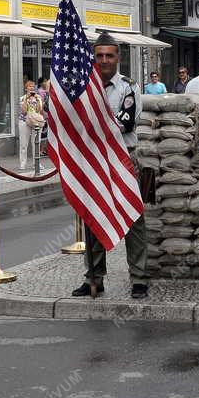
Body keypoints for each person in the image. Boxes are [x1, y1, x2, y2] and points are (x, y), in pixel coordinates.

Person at [72, 32, 150, 300]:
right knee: (93, 219)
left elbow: (124, 123)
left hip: (123, 158)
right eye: (99, 55)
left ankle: (139, 277)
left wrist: (93, 125)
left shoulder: (129, 87)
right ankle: (94, 277)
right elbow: (77, 122)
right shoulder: (84, 87)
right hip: (94, 159)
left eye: (109, 55)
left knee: (132, 219)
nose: (104, 60)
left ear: (118, 58)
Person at [18, 80, 44, 169]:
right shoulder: (22, 98)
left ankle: (36, 163)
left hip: (36, 121)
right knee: (23, 144)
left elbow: (39, 110)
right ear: (26, 88)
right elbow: (24, 111)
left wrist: (37, 99)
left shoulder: (38, 97)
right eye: (29, 86)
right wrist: (27, 99)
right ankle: (23, 163)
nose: (31, 88)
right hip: (24, 121)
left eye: (33, 86)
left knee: (36, 143)